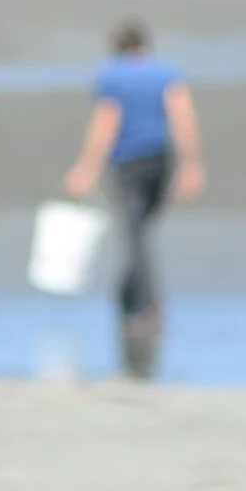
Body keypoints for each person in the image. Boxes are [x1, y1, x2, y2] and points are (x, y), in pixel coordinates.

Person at [62, 21, 206, 380]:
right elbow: (183, 117)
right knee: (142, 228)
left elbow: (106, 123)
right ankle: (140, 300)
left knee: (135, 231)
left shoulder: (112, 78)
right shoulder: (165, 74)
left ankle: (142, 305)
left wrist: (87, 168)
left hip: (127, 162)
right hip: (161, 160)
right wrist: (191, 164)